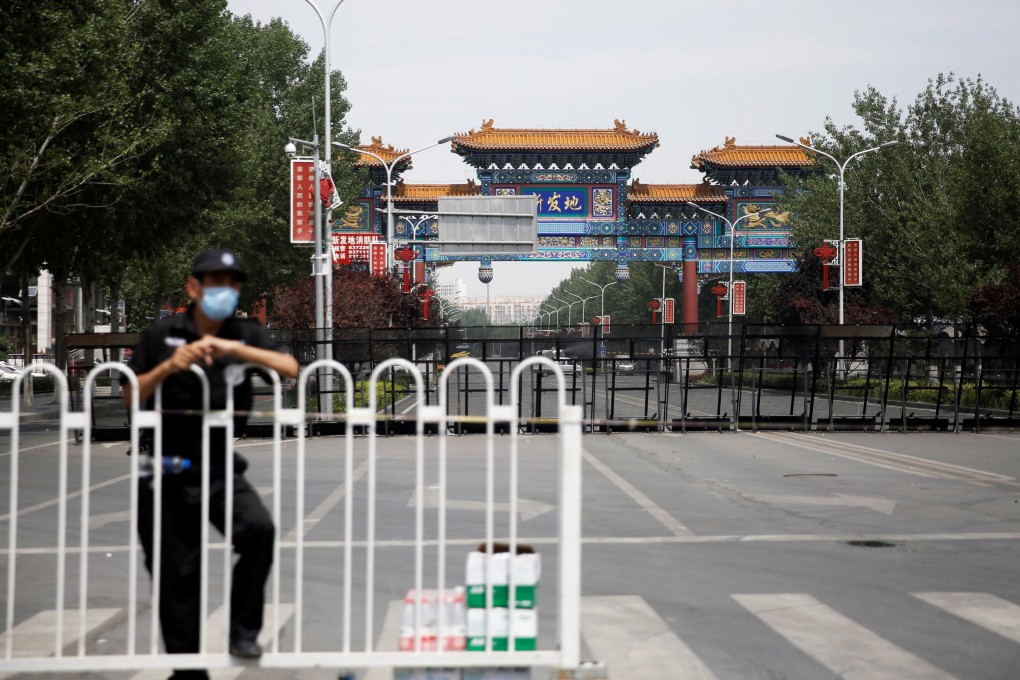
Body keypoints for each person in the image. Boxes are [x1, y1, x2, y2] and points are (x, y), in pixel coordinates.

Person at [122, 249, 298, 679]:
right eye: (215, 282)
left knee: (258, 530)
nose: (225, 291)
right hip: (164, 464)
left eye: (232, 283)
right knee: (175, 571)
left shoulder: (244, 332)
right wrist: (168, 367)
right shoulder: (163, 333)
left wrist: (233, 348)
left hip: (220, 464)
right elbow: (131, 394)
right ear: (193, 288)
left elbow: (289, 366)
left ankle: (243, 631)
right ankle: (187, 670)